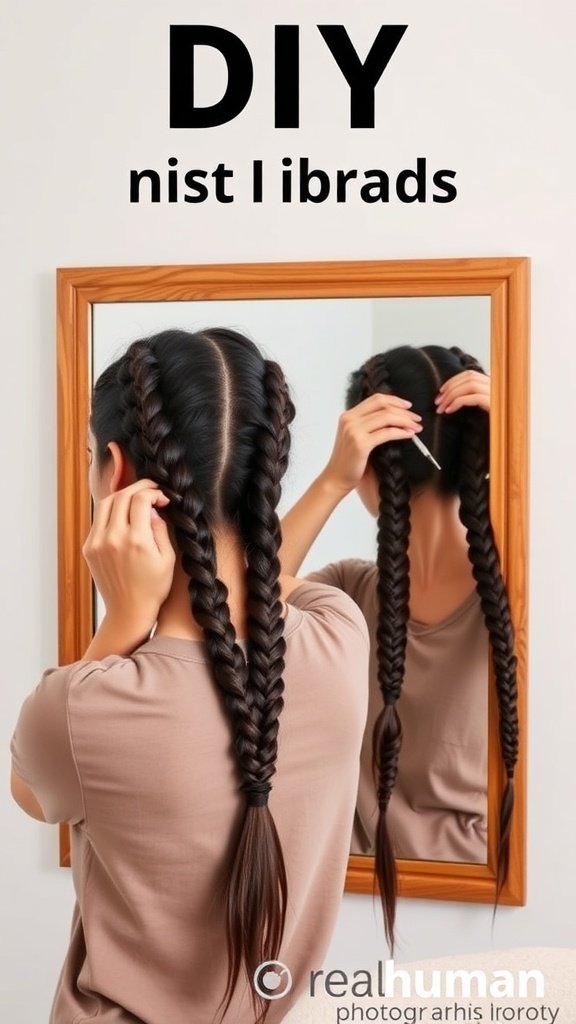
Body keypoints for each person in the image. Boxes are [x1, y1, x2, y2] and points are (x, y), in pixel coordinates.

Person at [10, 328, 370, 1024]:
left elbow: (31, 794)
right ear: (265, 475)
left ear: (116, 473)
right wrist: (329, 482)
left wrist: (122, 618)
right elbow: (271, 578)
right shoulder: (340, 635)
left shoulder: (83, 706)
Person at [279, 344, 519, 948]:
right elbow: (229, 599)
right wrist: (521, 449)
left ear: (365, 464)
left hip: (354, 907)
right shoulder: (352, 590)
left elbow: (234, 589)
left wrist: (331, 479)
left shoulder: (347, 597)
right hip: (473, 911)